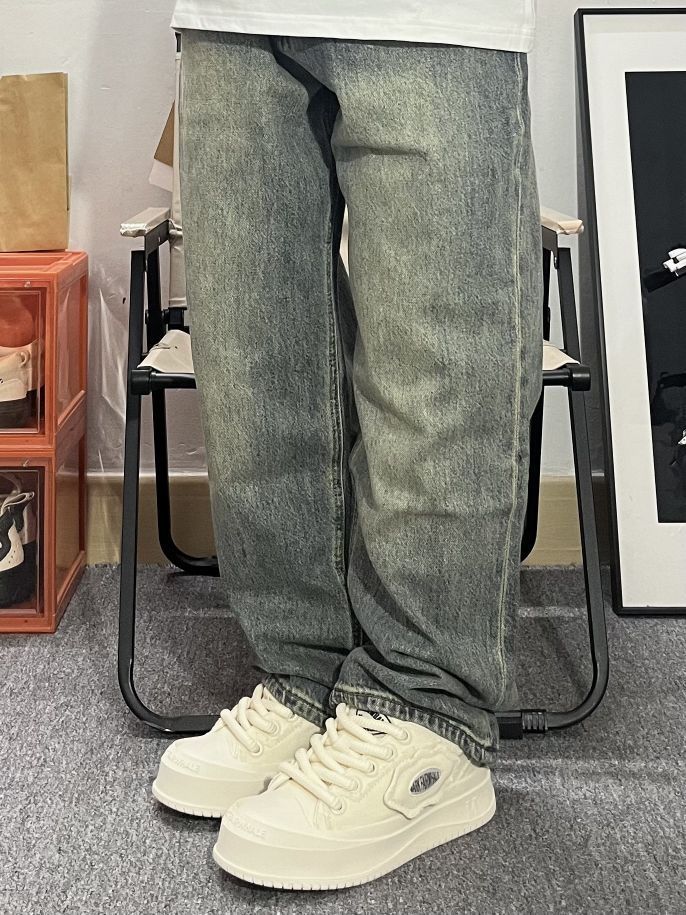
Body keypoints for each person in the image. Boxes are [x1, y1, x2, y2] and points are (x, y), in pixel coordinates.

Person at [152, 0, 543, 890]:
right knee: (255, 363)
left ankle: (429, 710)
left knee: (436, 362)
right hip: (228, 16)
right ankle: (308, 669)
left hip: (441, 21)